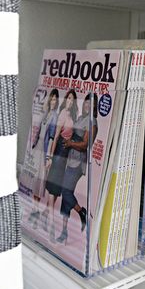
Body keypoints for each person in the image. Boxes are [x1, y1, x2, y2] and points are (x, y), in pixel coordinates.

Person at [56, 93, 98, 244]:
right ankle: (64, 232)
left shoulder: (92, 122)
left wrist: (71, 144)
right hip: (70, 160)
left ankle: (82, 212)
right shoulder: (81, 118)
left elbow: (85, 145)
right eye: (86, 102)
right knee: (66, 195)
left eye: (90, 103)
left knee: (65, 191)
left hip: (78, 163)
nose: (87, 105)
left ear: (95, 106)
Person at [44, 89, 78, 242]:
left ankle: (47, 220)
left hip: (64, 158)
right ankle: (51, 227)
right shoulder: (63, 113)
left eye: (73, 99)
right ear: (66, 100)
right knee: (52, 193)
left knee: (56, 193)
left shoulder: (72, 116)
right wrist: (50, 157)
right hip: (58, 155)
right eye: (69, 98)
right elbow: (56, 136)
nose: (70, 101)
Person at [29, 88, 59, 228]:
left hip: (45, 151)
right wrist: (33, 145)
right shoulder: (46, 114)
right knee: (35, 179)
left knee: (40, 182)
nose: (52, 101)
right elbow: (39, 131)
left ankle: (37, 213)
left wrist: (49, 157)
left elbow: (52, 137)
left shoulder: (54, 116)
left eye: (55, 99)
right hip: (38, 148)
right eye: (51, 98)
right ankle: (34, 210)